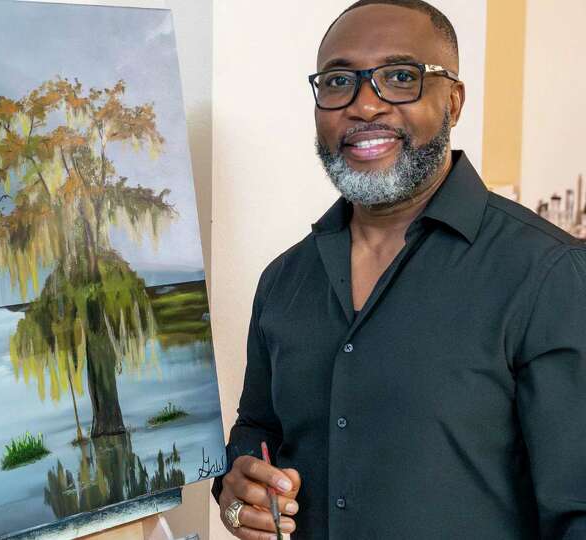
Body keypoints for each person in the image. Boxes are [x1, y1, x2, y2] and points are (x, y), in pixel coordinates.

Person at [211, 0, 586, 538]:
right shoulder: (284, 281)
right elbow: (257, 429)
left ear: (453, 101)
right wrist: (236, 486)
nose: (365, 106)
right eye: (340, 81)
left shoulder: (547, 274)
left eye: (400, 77)